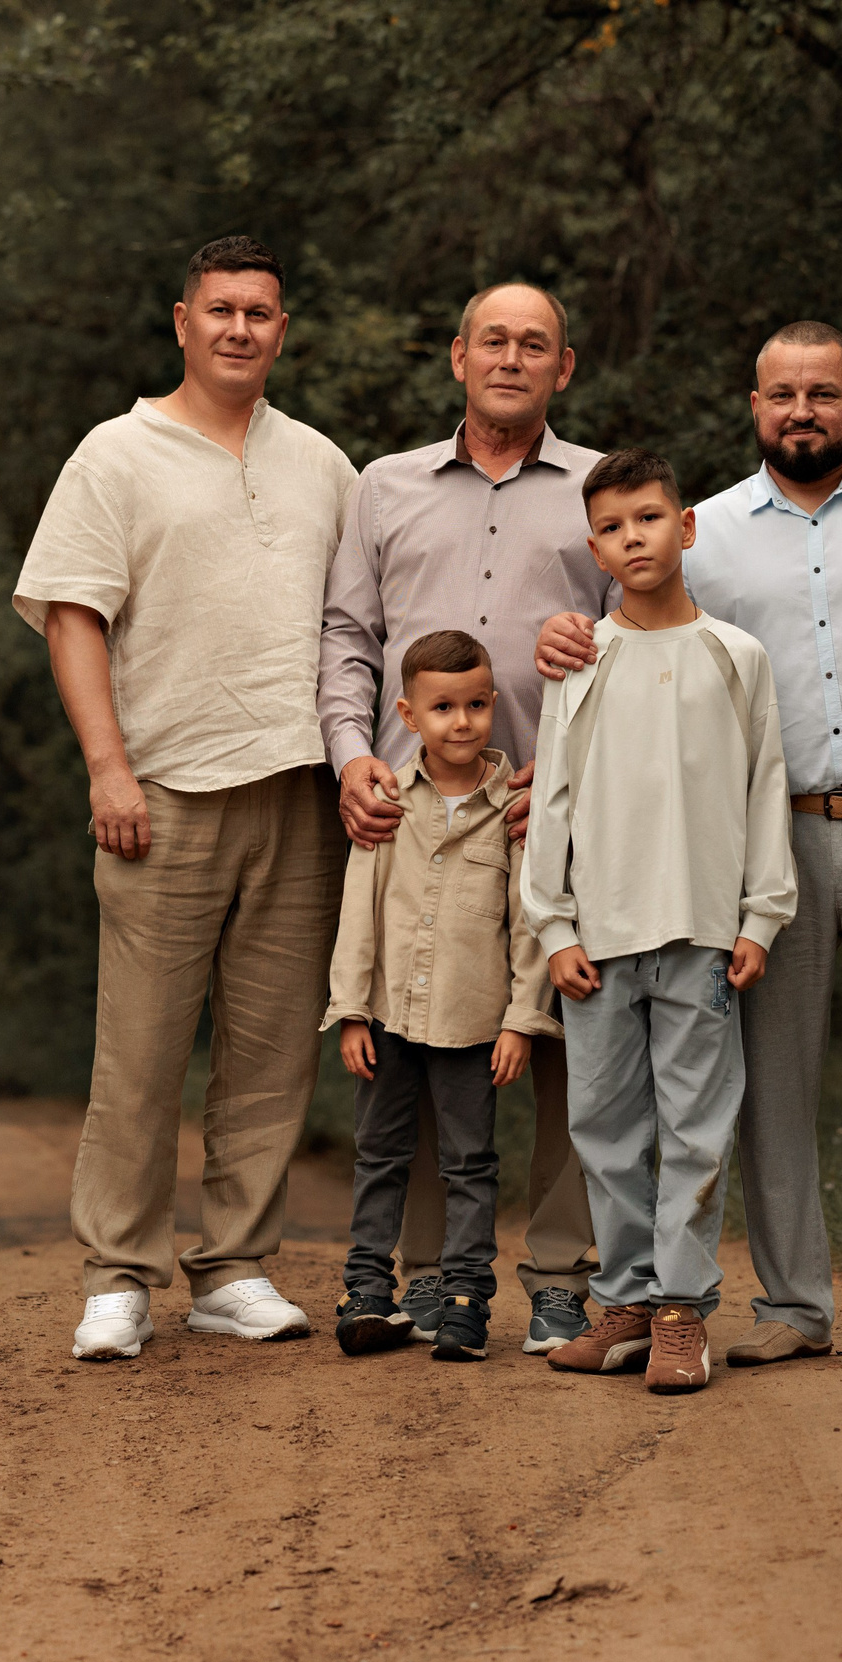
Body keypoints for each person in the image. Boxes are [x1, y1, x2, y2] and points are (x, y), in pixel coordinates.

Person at [535, 322, 842, 1361]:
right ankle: (793, 1306)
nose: (799, 410)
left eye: (821, 392)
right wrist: (560, 634)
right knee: (766, 1076)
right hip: (764, 837)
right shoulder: (701, 530)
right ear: (752, 407)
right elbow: (635, 635)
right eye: (779, 394)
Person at [14, 236, 358, 1361]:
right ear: (180, 321)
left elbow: (357, 628)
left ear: (281, 330)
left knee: (269, 1055)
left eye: (259, 313)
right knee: (142, 1051)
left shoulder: (321, 465)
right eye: (220, 310)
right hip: (162, 787)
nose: (239, 330)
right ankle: (118, 1275)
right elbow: (72, 613)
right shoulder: (115, 454)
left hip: (297, 787)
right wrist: (107, 765)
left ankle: (235, 1269)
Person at [317, 281, 609, 1357]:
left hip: (554, 814)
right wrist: (355, 758)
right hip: (416, 823)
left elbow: (641, 645)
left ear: (562, 369)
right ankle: (429, 1279)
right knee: (422, 1031)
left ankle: (563, 1277)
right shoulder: (383, 487)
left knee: (568, 1050)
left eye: (535, 344)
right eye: (494, 338)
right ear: (457, 355)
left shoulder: (597, 490)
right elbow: (349, 637)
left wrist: (586, 773)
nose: (512, 357)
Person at [520, 448, 797, 1394]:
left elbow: (766, 790)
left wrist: (760, 917)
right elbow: (550, 802)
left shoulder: (737, 656)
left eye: (648, 518)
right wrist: (553, 929)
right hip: (598, 938)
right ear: (594, 548)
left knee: (694, 1128)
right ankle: (628, 1300)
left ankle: (683, 1310)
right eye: (611, 526)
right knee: (602, 1124)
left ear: (684, 528)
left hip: (704, 934)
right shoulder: (581, 662)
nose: (632, 537)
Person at [324, 631, 560, 1361]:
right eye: (444, 707)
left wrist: (522, 1022)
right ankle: (367, 1291)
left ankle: (465, 1302)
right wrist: (351, 1012)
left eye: (478, 705)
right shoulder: (388, 802)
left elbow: (527, 925)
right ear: (408, 712)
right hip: (390, 1016)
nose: (463, 722)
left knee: (469, 1162)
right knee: (381, 1153)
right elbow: (356, 915)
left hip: (472, 1022)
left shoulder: (513, 810)